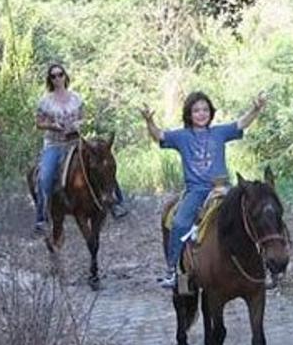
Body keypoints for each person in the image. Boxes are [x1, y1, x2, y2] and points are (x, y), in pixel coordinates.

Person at [141, 90, 268, 288]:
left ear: (211, 112)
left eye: (205, 109)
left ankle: (262, 267)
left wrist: (256, 108)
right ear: (189, 114)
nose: (201, 114)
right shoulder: (181, 136)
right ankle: (173, 271)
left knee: (253, 216)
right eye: (196, 110)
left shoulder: (219, 132)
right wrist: (149, 120)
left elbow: (241, 123)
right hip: (197, 191)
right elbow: (158, 135)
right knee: (181, 222)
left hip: (223, 188)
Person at [34, 63, 128, 234]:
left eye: (60, 74)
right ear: (50, 79)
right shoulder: (45, 101)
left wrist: (77, 124)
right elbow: (39, 123)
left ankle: (117, 202)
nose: (57, 79)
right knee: (45, 177)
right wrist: (53, 125)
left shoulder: (76, 98)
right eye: (53, 76)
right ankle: (41, 218)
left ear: (65, 76)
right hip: (54, 144)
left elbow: (82, 117)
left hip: (75, 141)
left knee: (103, 164)